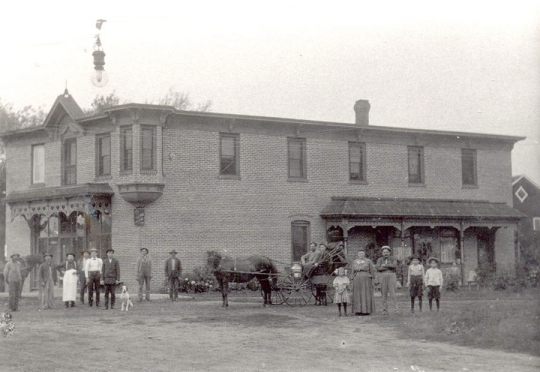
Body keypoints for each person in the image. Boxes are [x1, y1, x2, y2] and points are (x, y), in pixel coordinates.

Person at [351, 249, 377, 316]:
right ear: (357, 254)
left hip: (366, 278)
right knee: (357, 294)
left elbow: (372, 270)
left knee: (365, 293)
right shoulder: (354, 261)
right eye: (359, 253)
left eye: (362, 253)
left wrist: (373, 279)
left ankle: (366, 310)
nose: (360, 255)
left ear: (364, 254)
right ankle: (357, 310)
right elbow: (352, 271)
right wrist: (352, 278)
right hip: (357, 278)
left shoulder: (368, 261)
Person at [376, 246, 399, 315]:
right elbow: (378, 268)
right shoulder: (380, 259)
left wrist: (385, 265)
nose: (385, 253)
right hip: (383, 276)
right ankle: (384, 310)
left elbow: (394, 266)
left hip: (391, 275)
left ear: (389, 252)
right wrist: (388, 266)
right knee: (383, 293)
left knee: (393, 293)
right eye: (384, 252)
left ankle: (396, 309)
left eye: (387, 252)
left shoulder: (393, 258)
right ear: (382, 253)